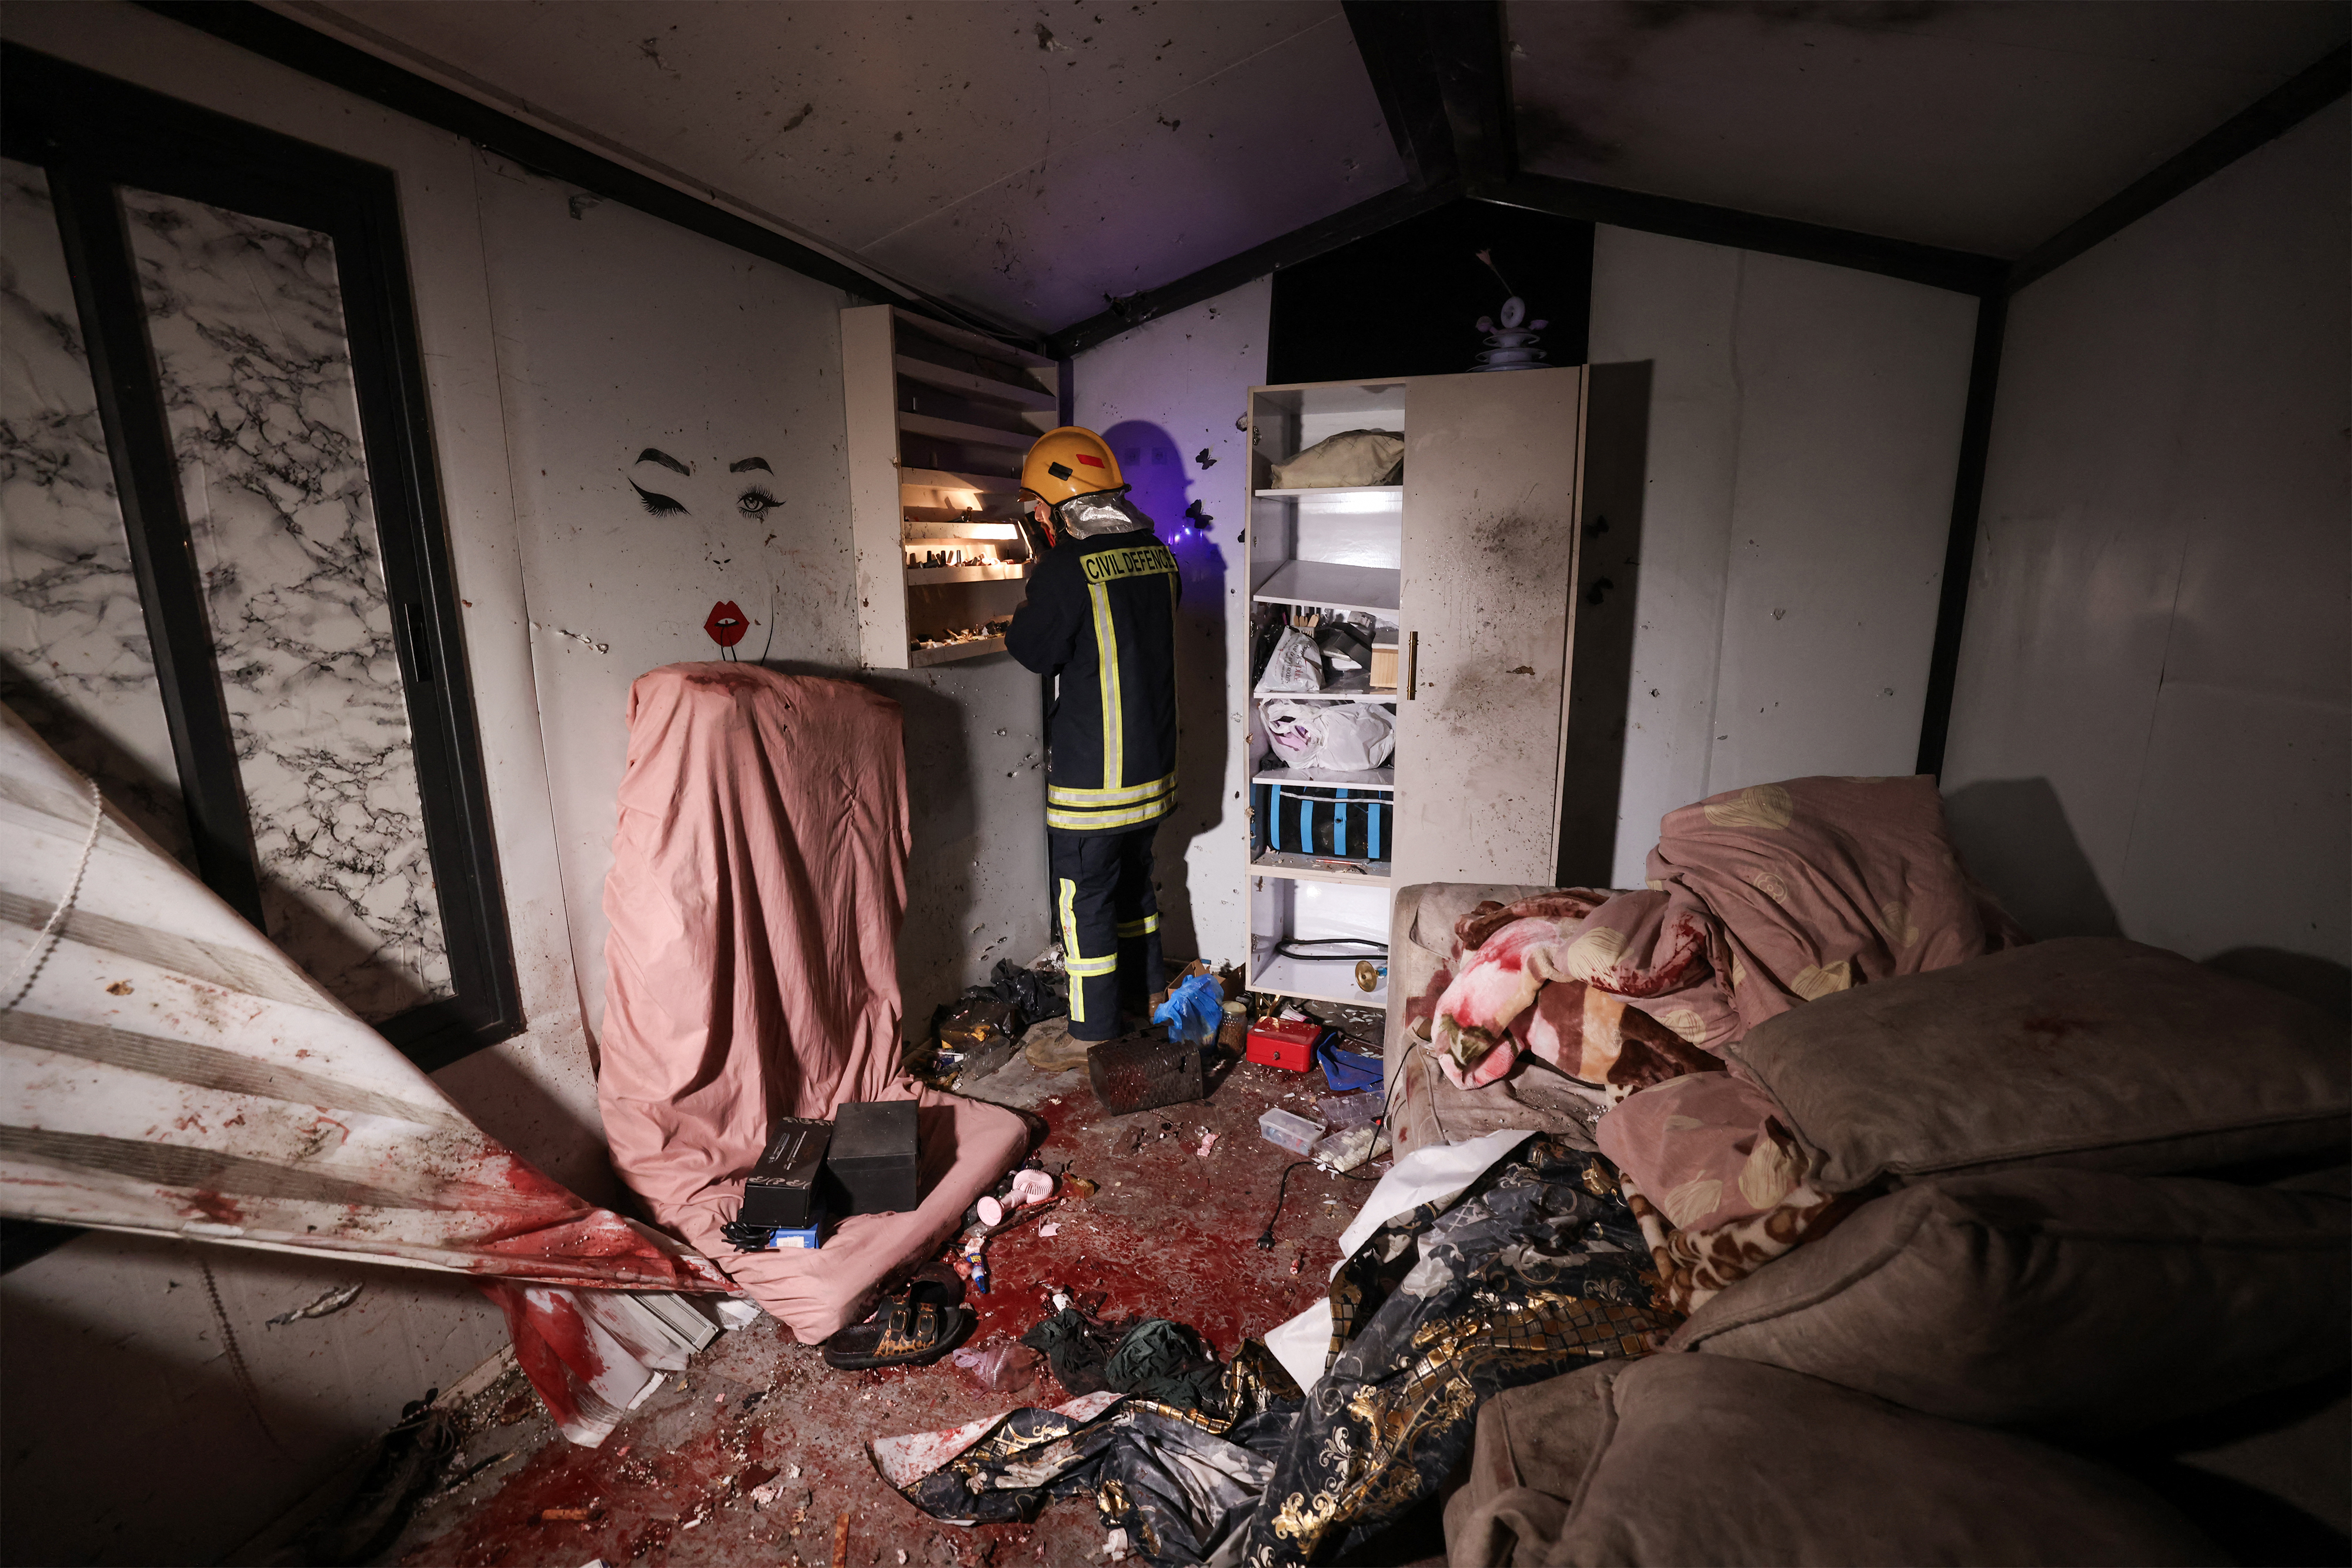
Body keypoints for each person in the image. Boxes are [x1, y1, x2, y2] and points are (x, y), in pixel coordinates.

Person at [1004, 427, 1178, 1066]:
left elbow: (1033, 651)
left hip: (1093, 782)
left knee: (1085, 904)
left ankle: (1093, 1034)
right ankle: (1149, 996)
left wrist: (1037, 576)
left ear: (1052, 507)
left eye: (1035, 508)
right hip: (1153, 770)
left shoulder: (1064, 569)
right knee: (1134, 889)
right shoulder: (1159, 554)